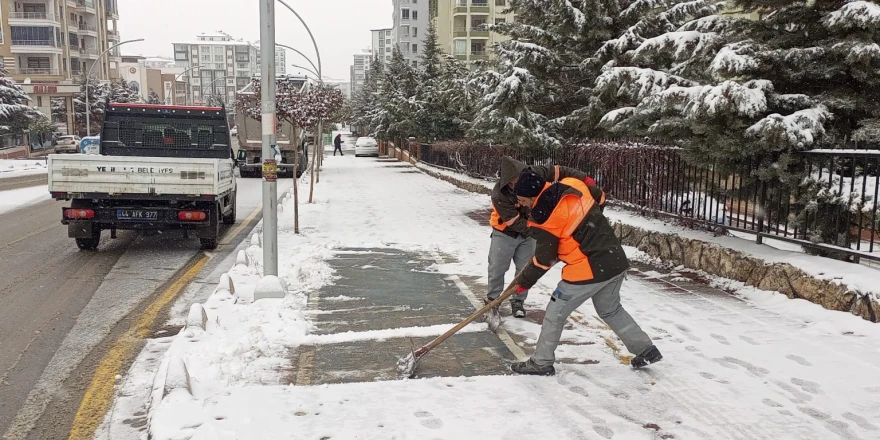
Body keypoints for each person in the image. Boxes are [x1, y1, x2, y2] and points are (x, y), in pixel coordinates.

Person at [508, 168, 661, 376]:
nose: (520, 203)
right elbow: (600, 197)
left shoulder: (543, 216)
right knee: (610, 309)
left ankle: (541, 362)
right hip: (614, 260)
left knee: (555, 313)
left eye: (522, 199)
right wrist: (590, 229)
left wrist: (524, 283)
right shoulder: (574, 185)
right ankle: (645, 349)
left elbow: (544, 260)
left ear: (533, 195)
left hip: (587, 270)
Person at [487, 157, 595, 318]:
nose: (519, 184)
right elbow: (514, 222)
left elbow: (558, 170)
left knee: (524, 268)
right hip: (505, 232)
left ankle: (518, 301)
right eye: (514, 182)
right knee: (497, 268)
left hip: (530, 233)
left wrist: (583, 178)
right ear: (507, 182)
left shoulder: (534, 174)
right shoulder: (499, 195)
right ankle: (493, 302)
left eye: (520, 179)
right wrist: (544, 233)